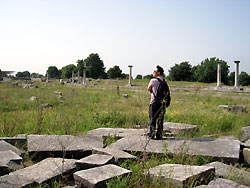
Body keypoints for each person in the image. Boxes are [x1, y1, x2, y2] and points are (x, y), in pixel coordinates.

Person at [147, 65, 166, 139]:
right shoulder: (164, 81)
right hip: (162, 103)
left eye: (154, 71)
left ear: (158, 72)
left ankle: (152, 134)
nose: (153, 72)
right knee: (160, 119)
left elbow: (148, 89)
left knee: (153, 118)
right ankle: (159, 135)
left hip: (154, 102)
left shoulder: (153, 80)